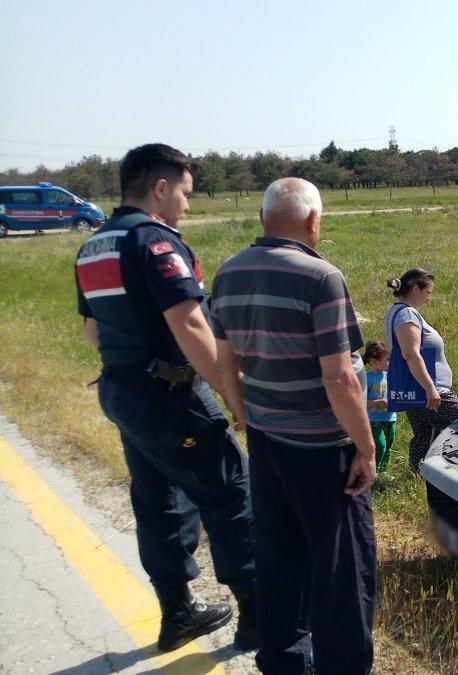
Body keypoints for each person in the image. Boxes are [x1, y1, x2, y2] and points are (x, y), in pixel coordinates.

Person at [73, 143, 257, 652]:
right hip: (170, 396)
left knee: (158, 502)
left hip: (121, 390)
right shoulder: (154, 241)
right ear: (160, 187)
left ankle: (177, 613)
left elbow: (93, 331)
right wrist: (232, 397)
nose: (187, 205)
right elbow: (191, 326)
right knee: (231, 495)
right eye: (185, 192)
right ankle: (259, 614)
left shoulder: (94, 245)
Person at [209, 177, 376, 675]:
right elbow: (340, 377)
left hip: (265, 441)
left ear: (263, 219)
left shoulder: (228, 272)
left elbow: (224, 360)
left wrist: (242, 414)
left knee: (279, 556)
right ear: (312, 220)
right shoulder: (321, 278)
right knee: (342, 570)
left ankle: (281, 659)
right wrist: (365, 449)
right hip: (324, 450)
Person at [384, 269, 458, 470]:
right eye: (428, 291)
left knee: (424, 435)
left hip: (414, 389)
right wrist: (431, 388)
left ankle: (418, 476)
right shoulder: (407, 314)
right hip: (429, 390)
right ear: (415, 288)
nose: (430, 297)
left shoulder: (394, 312)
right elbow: (410, 354)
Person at [363, 342, 396, 473]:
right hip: (374, 420)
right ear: (374, 361)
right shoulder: (367, 378)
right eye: (387, 360)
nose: (390, 362)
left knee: (388, 446)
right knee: (380, 446)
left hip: (391, 418)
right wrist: (376, 403)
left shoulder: (391, 376)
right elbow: (360, 400)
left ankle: (383, 473)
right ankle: (373, 473)